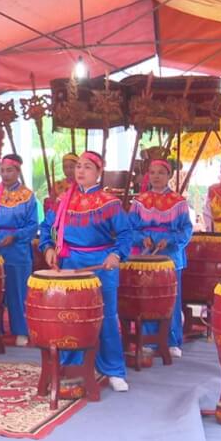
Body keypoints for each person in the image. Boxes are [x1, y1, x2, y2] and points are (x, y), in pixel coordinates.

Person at [39, 151, 133, 392]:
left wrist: (116, 254)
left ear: (99, 172)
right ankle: (71, 365)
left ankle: (112, 369)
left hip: (101, 265)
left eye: (87, 167)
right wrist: (48, 247)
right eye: (78, 166)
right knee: (70, 318)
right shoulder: (62, 201)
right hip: (69, 265)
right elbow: (47, 227)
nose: (80, 171)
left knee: (107, 317)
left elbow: (125, 234)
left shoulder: (109, 203)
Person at [128, 159, 193, 357]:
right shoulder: (139, 201)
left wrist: (171, 239)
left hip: (170, 255)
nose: (156, 176)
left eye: (161, 173)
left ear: (169, 176)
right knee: (147, 298)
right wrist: (142, 238)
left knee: (171, 298)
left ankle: (172, 340)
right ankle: (148, 340)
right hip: (147, 255)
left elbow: (187, 229)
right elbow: (130, 228)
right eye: (153, 172)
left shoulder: (179, 202)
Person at [0, 154, 39, 346]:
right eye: (3, 170)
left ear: (18, 171)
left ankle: (21, 330)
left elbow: (33, 226)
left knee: (17, 290)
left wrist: (15, 237)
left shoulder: (28, 196)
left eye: (9, 170)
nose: (5, 175)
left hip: (18, 250)